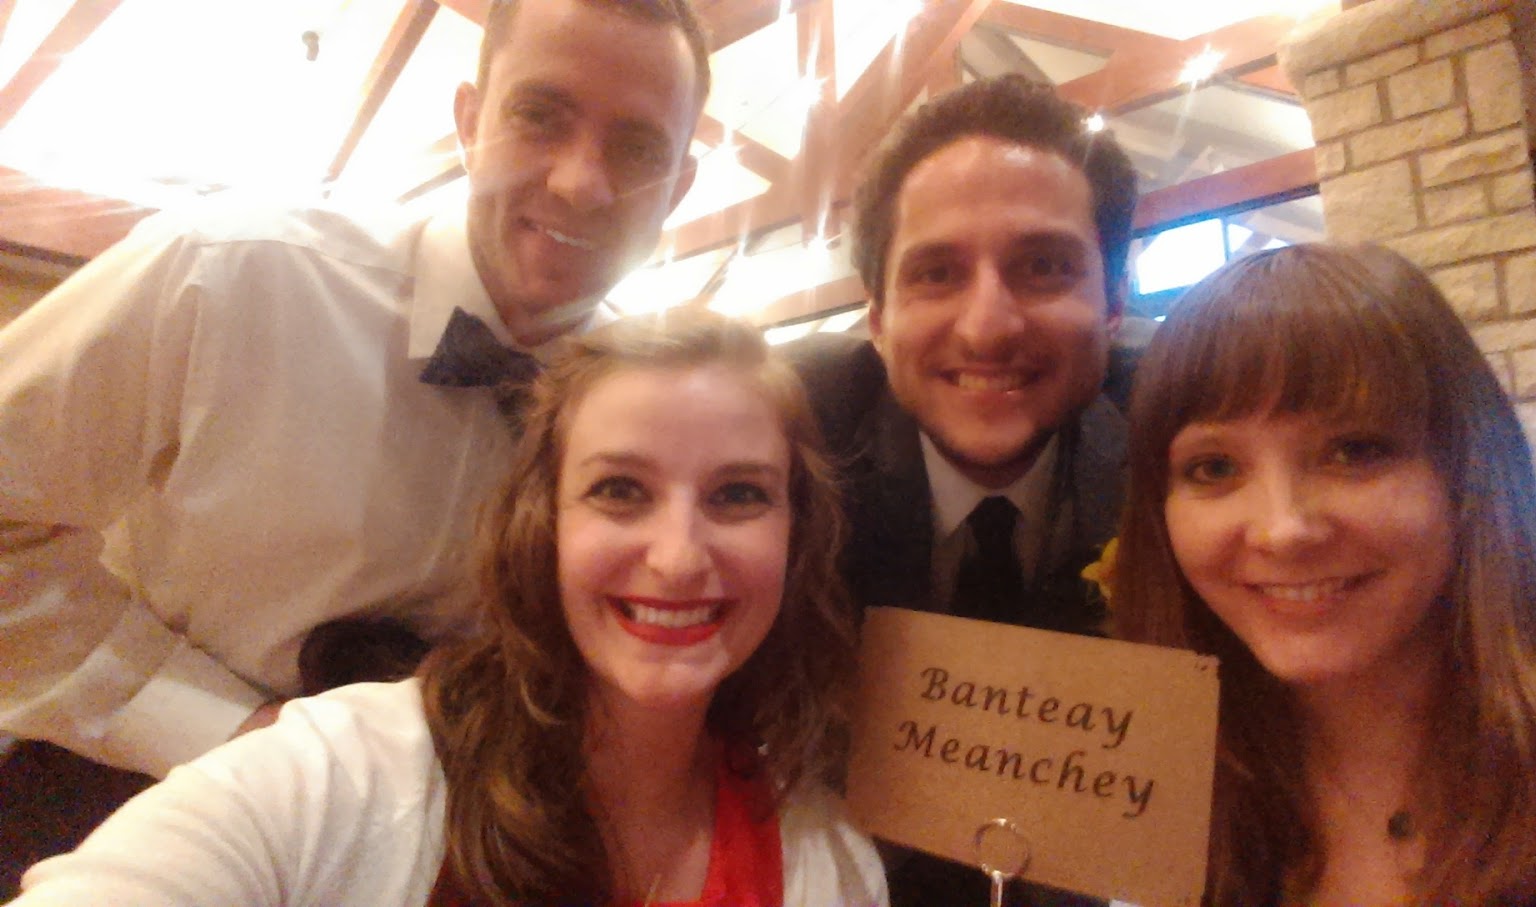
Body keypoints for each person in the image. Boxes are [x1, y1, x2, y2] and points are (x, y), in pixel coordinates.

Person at [0, 0, 707, 780]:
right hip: (122, 782)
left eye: (638, 149)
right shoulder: (231, 272)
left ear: (677, 189)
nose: (580, 184)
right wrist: (217, 729)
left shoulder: (659, 412)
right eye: (540, 117)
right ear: (471, 123)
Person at [12, 309, 888, 906]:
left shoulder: (832, 864)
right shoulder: (347, 774)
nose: (679, 555)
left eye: (739, 494)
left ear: (795, 533)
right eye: (620, 489)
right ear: (544, 525)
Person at [1111, 242, 1536, 906]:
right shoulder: (1162, 800)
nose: (1283, 529)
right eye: (1215, 467)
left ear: (1467, 470)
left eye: (1354, 451)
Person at [786, 74, 1138, 907]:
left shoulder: (1182, 446)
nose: (988, 326)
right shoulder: (790, 445)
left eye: (1044, 266)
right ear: (876, 319)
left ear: (1115, 303)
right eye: (937, 273)